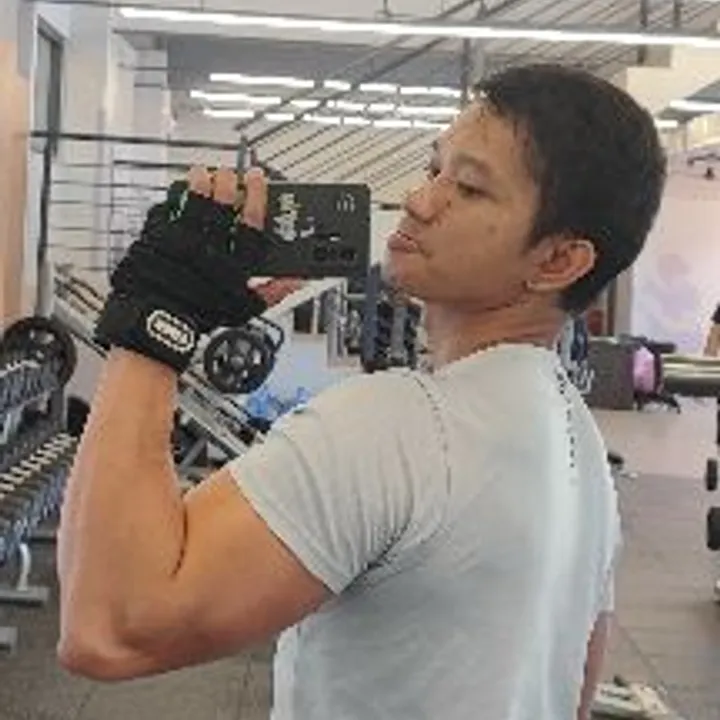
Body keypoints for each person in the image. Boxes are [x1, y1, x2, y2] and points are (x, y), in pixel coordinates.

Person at [56, 63, 667, 720]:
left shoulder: (395, 427)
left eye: (468, 188)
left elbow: (110, 628)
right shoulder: (581, 446)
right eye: (435, 168)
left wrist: (156, 318)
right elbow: (573, 693)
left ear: (558, 261)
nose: (419, 200)